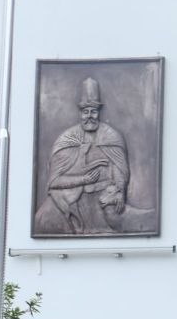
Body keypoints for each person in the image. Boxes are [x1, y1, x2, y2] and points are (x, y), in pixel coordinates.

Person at [34, 77, 132, 235]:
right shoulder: (68, 139)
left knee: (121, 223)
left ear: (99, 112)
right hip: (71, 199)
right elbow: (54, 181)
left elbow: (120, 168)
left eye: (93, 111)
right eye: (85, 112)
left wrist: (120, 191)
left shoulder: (111, 136)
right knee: (43, 220)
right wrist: (84, 180)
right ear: (80, 113)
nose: (89, 116)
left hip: (104, 199)